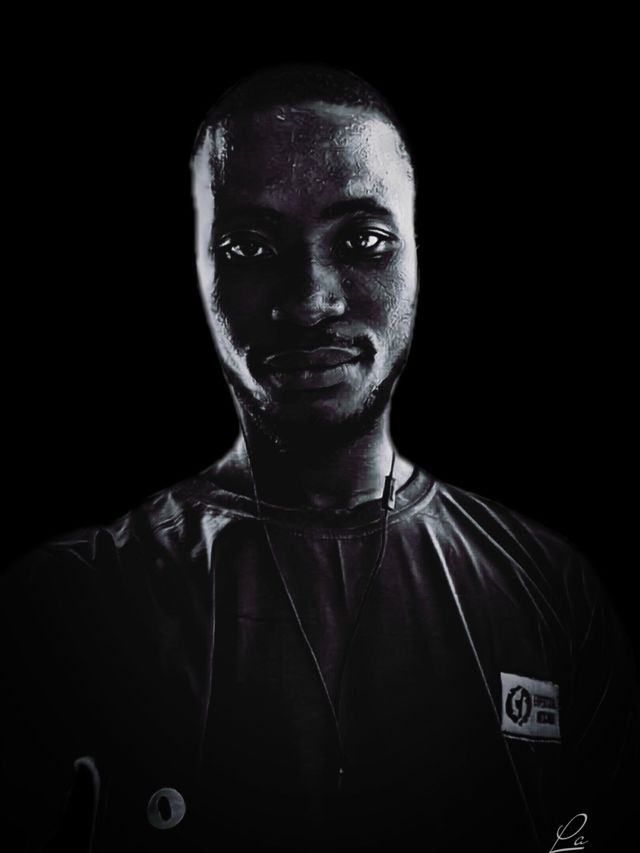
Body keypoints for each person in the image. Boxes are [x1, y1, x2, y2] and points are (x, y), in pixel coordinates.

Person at [1, 63, 638, 853]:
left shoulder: (552, 592)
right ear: (196, 266)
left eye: (363, 240)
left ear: (418, 251)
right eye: (249, 246)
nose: (309, 299)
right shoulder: (71, 607)